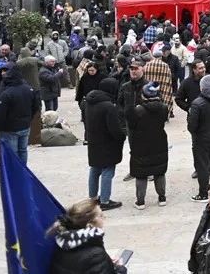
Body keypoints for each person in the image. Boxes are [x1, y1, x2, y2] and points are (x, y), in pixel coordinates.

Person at [48, 198, 128, 273]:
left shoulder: (63, 242)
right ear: (90, 225)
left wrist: (107, 263)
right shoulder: (96, 255)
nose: (104, 217)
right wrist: (120, 268)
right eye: (100, 215)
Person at [84, 77, 126, 211]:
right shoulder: (108, 106)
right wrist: (122, 137)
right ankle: (105, 200)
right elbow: (114, 129)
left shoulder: (89, 102)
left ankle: (93, 198)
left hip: (93, 141)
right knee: (108, 170)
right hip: (107, 143)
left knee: (95, 169)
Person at [128, 82, 169, 210]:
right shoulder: (163, 107)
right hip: (159, 142)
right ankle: (162, 197)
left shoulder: (138, 110)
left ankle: (141, 201)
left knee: (141, 173)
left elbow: (131, 125)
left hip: (141, 144)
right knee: (159, 171)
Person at [0, 63, 39, 165]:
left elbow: (1, 114)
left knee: (13, 153)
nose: (2, 73)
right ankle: (23, 171)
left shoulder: (6, 93)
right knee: (23, 150)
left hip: (10, 128)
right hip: (25, 126)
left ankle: (15, 172)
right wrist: (29, 119)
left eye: (5, 71)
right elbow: (36, 106)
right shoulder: (29, 89)